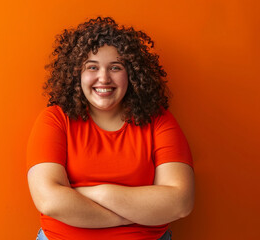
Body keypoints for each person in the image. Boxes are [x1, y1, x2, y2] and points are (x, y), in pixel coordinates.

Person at [26, 17, 195, 240]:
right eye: (92, 67)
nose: (103, 78)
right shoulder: (54, 120)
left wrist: (96, 192)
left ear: (132, 74)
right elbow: (50, 201)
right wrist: (132, 214)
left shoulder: (159, 121)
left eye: (115, 67)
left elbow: (180, 202)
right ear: (77, 73)